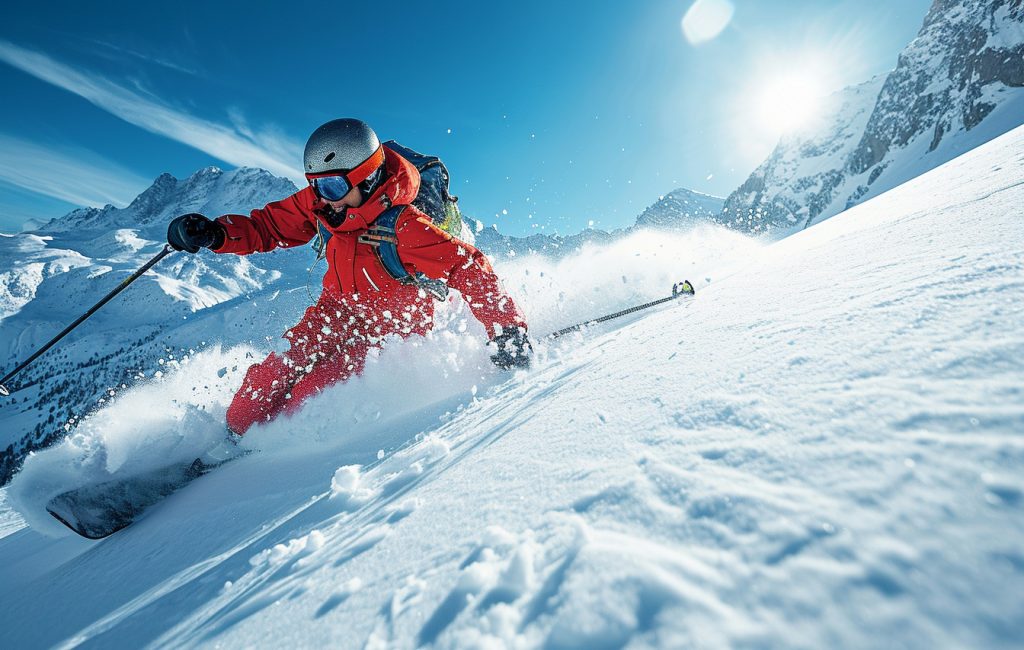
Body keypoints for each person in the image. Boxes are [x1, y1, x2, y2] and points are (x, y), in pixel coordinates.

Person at [167, 118, 530, 435]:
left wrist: (507, 330)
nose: (323, 200)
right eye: (315, 186)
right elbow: (269, 226)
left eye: (333, 188)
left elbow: (467, 267)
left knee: (304, 400)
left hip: (391, 334)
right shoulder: (326, 202)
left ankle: (267, 461)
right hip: (335, 315)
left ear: (368, 178)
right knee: (254, 399)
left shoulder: (405, 227)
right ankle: (236, 439)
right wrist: (215, 234)